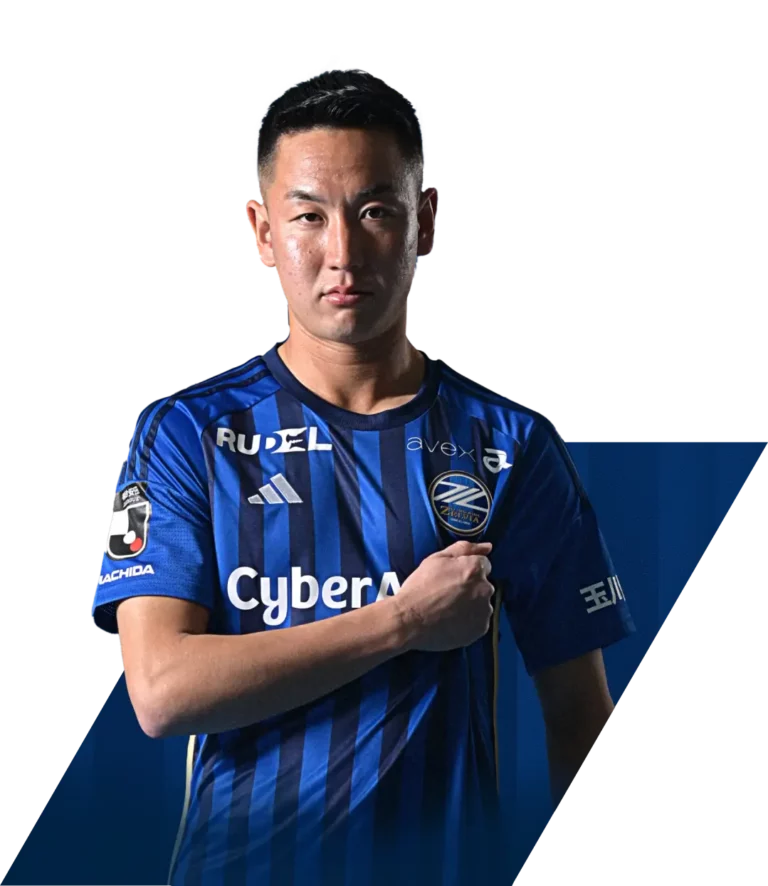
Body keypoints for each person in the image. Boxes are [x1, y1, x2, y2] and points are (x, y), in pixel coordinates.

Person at [92, 66, 636, 886]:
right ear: (261, 231)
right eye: (309, 216)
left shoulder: (510, 444)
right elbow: (162, 691)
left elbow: (579, 715)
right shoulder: (183, 435)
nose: (342, 253)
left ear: (426, 223)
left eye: (376, 211)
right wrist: (402, 622)